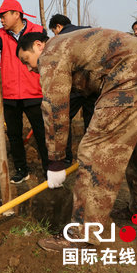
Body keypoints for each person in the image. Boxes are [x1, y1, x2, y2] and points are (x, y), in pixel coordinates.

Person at [16, 29, 137, 251]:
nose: (29, 67)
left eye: (27, 60)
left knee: (93, 150)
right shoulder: (72, 42)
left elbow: (54, 108)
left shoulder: (51, 52)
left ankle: (81, 234)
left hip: (131, 74)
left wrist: (56, 160)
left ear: (39, 46)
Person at [0, 0, 49, 183]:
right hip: (10, 93)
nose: (1, 20)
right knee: (14, 134)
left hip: (34, 91)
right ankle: (21, 169)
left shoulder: (38, 30)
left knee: (41, 133)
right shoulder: (0, 35)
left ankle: (48, 170)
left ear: (16, 14)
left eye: (3, 16)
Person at [48, 14, 96, 164]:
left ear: (58, 27)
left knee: (63, 119)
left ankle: (66, 158)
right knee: (92, 121)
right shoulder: (90, 31)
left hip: (75, 87)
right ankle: (92, 157)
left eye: (54, 31)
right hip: (94, 84)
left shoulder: (61, 38)